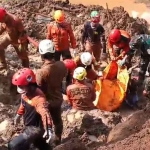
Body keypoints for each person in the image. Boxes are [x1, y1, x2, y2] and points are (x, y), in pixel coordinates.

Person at [8, 68, 52, 150]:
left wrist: (48, 128)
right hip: (29, 125)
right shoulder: (26, 93)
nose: (20, 89)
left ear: (30, 85)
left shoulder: (39, 99)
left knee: (13, 146)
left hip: (35, 128)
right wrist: (18, 114)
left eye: (21, 86)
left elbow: (45, 113)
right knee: (40, 145)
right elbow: (23, 103)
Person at [36, 39, 67, 145]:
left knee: (44, 123)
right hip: (58, 99)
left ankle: (44, 142)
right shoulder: (62, 65)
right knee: (57, 120)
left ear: (41, 55)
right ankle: (58, 139)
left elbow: (38, 88)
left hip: (46, 102)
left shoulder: (41, 72)